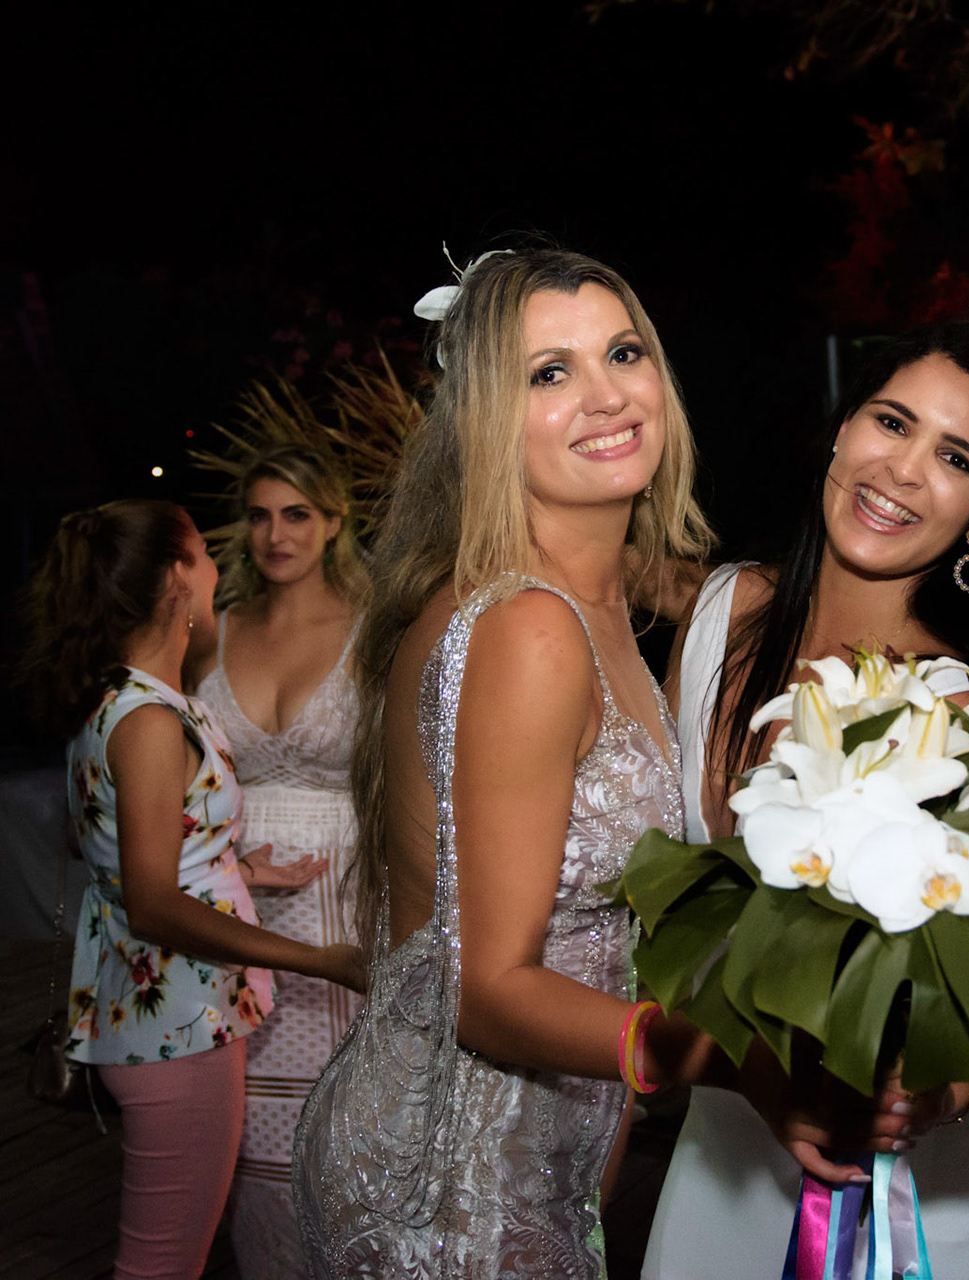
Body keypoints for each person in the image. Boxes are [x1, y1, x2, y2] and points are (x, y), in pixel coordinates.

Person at [291, 246, 918, 1279]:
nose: (607, 392)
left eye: (622, 350)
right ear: (487, 418)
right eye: (550, 371)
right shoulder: (529, 626)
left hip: (527, 1153)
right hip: (451, 1187)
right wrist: (738, 1065)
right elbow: (485, 989)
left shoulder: (590, 604)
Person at [641, 321, 969, 1280]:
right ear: (841, 430)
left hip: (916, 1202)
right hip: (725, 1136)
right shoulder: (722, 616)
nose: (904, 471)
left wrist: (930, 1099)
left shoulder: (961, 716)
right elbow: (666, 900)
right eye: (890, 422)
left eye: (953, 458)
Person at [17, 498, 361, 1280]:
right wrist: (320, 960)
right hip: (176, 1025)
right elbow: (153, 902)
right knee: (163, 1265)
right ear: (176, 579)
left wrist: (237, 867)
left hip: (157, 1017)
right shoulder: (145, 719)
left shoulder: (124, 700)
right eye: (204, 553)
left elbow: (112, 850)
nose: (218, 565)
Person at [187, 443, 367, 1278]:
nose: (275, 533)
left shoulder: (378, 629)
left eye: (297, 513)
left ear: (333, 524)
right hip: (232, 906)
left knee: (352, 1146)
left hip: (349, 906)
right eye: (260, 514)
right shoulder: (210, 631)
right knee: (247, 1151)